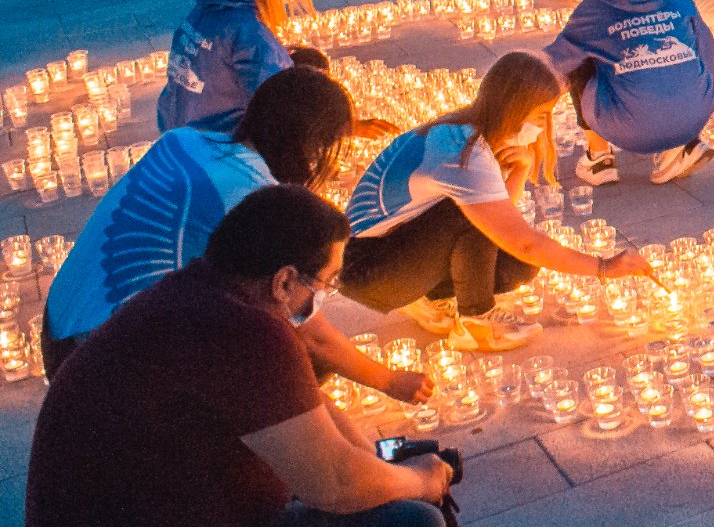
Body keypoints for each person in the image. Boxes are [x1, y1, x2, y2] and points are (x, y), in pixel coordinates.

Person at [27, 184, 455, 527]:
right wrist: (420, 480)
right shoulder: (246, 332)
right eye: (323, 285)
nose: (320, 300)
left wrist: (372, 459)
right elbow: (336, 483)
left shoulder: (204, 291)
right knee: (411, 519)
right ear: (284, 281)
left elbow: (309, 408)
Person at [44, 69, 427, 408]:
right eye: (328, 149)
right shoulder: (253, 200)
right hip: (102, 370)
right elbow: (311, 334)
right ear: (309, 147)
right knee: (284, 343)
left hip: (59, 328)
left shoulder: (185, 139)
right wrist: (391, 381)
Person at [343, 53, 656, 351]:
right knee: (477, 217)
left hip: (390, 251)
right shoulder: (462, 153)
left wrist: (520, 168)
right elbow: (520, 240)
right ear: (514, 109)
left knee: (517, 267)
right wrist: (604, 267)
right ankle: (476, 323)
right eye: (541, 116)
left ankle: (431, 297)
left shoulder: (465, 132)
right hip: (369, 266)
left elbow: (503, 219)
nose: (542, 127)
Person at [547, 0, 714, 186]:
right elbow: (707, 50)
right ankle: (684, 142)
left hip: (628, 130)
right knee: (686, 52)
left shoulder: (595, 7)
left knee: (581, 58)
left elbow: (556, 60)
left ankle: (599, 158)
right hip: (697, 114)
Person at [158, 0, 309, 131]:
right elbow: (272, 108)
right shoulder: (250, 32)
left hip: (178, 129)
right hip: (216, 141)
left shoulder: (209, 8)